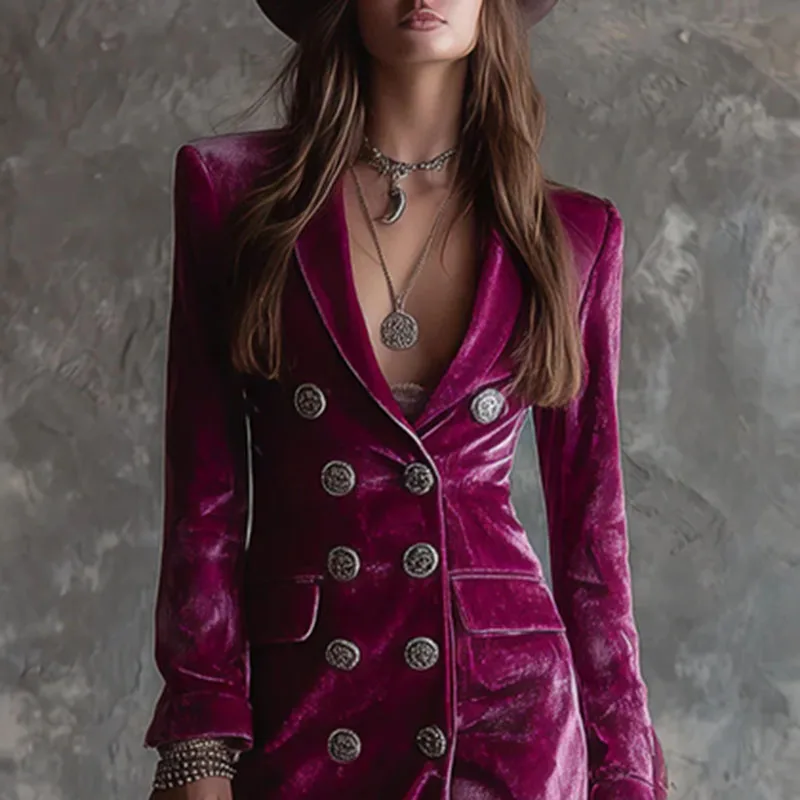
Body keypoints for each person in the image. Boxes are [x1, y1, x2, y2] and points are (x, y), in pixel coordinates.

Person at [143, 0, 669, 798]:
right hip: (307, 706)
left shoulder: (573, 234)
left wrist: (625, 767)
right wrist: (199, 734)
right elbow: (203, 492)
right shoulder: (233, 193)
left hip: (509, 722)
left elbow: (593, 532)